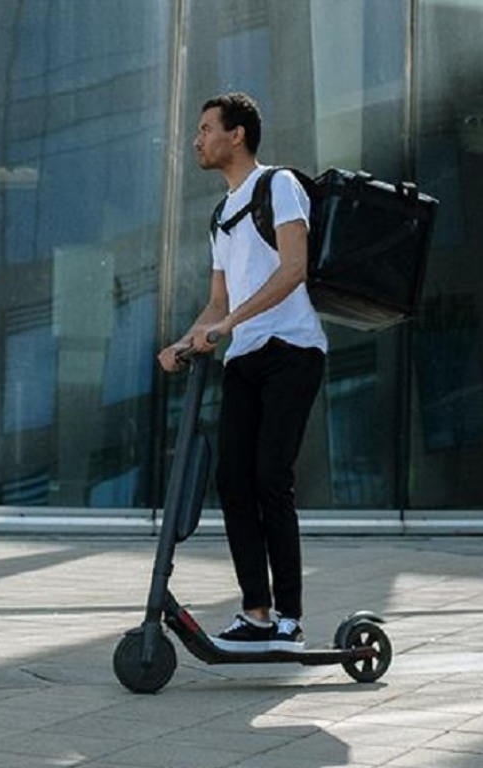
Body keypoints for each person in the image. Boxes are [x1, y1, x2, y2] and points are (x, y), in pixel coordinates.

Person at [157, 92, 327, 653]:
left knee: (269, 478)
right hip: (246, 357)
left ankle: (290, 621)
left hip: (292, 351)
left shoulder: (277, 186)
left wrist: (227, 323)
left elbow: (293, 268)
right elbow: (217, 301)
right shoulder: (220, 215)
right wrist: (183, 343)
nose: (197, 139)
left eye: (206, 128)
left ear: (237, 135)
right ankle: (256, 612)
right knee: (232, 480)